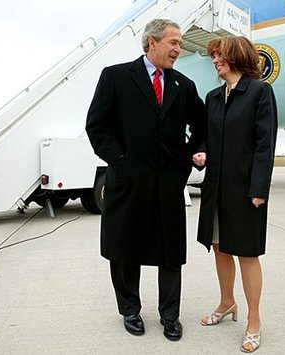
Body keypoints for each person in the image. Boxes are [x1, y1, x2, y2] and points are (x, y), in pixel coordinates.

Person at [86, 19, 205, 341]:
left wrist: (184, 164)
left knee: (170, 252)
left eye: (179, 43)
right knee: (125, 248)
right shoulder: (115, 77)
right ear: (152, 42)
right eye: (174, 43)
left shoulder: (183, 85)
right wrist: (119, 161)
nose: (179, 49)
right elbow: (97, 125)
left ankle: (170, 315)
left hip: (167, 182)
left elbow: (202, 127)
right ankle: (130, 310)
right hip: (128, 181)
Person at [193, 36, 277, 353]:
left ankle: (253, 320)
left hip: (245, 191)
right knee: (219, 246)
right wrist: (200, 152)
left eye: (220, 55)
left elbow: (264, 145)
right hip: (216, 188)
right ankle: (227, 303)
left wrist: (258, 189)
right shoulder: (213, 97)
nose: (215, 60)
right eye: (214, 56)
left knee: (247, 253)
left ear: (237, 56)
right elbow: (203, 137)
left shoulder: (259, 92)